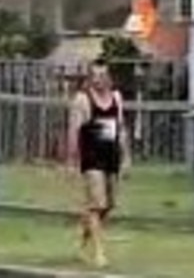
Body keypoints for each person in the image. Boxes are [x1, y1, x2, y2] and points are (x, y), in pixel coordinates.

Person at [67, 59, 129, 268]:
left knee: (108, 205)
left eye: (102, 76)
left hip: (110, 154)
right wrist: (71, 160)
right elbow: (74, 132)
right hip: (91, 157)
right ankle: (99, 253)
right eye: (94, 76)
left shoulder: (116, 98)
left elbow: (121, 129)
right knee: (97, 204)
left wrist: (126, 157)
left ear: (109, 77)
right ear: (89, 78)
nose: (98, 80)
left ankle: (82, 243)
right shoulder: (82, 99)